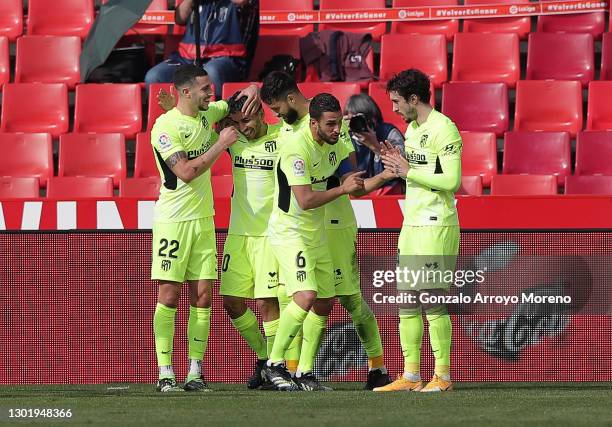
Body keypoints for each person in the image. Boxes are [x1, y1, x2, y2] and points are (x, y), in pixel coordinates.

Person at [261, 74, 395, 391]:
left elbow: (354, 184)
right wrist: (343, 190)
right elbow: (306, 199)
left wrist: (389, 172)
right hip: (292, 229)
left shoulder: (334, 140)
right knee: (305, 295)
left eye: (339, 125)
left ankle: (305, 372)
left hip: (320, 229)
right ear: (314, 123)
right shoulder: (296, 146)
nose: (338, 130)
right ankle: (275, 365)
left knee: (327, 299)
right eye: (332, 125)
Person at [150, 64, 258, 393]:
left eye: (211, 89)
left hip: (204, 220)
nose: (211, 94)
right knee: (169, 295)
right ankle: (165, 371)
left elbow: (245, 94)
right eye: (204, 90)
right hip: (174, 221)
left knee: (203, 297)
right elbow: (184, 171)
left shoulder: (208, 112)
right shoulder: (165, 127)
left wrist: (252, 91)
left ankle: (195, 371)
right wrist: (221, 143)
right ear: (185, 92)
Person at [375, 69, 462, 393]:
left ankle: (443, 375)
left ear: (414, 99)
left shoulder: (444, 129)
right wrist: (395, 164)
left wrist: (409, 170)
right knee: (406, 302)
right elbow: (416, 174)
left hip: (435, 224)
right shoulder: (411, 130)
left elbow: (451, 182)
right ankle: (411, 375)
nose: (394, 109)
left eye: (397, 102)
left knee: (432, 300)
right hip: (411, 224)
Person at [217, 93, 284, 389]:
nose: (243, 127)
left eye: (247, 120)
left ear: (260, 113)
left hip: (270, 234)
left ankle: (276, 365)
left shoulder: (281, 136)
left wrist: (257, 85)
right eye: (237, 122)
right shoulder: (234, 141)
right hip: (238, 234)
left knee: (266, 302)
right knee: (230, 301)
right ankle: (264, 358)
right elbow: (208, 117)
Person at [145, 0, 259, 100]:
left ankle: (214, 121)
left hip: (227, 59)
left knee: (211, 72)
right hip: (186, 58)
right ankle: (167, 122)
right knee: (154, 76)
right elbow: (179, 18)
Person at [344, 93, 405, 195]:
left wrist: (374, 145)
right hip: (359, 190)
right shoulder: (344, 137)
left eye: (361, 118)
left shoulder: (388, 132)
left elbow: (402, 167)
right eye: (353, 119)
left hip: (388, 190)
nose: (358, 123)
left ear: (373, 118)